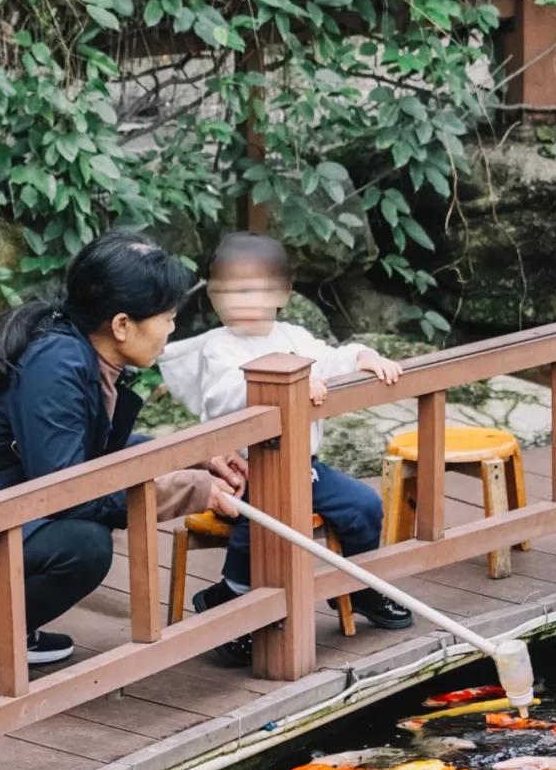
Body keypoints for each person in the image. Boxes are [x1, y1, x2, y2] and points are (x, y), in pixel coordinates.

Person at [0, 231, 245, 708]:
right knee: (84, 545)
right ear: (121, 324)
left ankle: (10, 630)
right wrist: (193, 489)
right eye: (168, 317)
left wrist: (194, 454)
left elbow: (90, 451)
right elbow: (72, 491)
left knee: (77, 534)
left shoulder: (72, 346)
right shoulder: (55, 363)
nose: (172, 328)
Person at [160, 232, 414, 665]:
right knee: (262, 522)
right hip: (245, 469)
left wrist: (363, 358)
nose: (237, 300)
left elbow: (332, 359)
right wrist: (290, 384)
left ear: (282, 292)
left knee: (363, 505)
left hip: (303, 465)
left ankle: (358, 586)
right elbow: (222, 396)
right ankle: (233, 599)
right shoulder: (219, 347)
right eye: (225, 291)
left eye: (252, 290)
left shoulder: (294, 335)